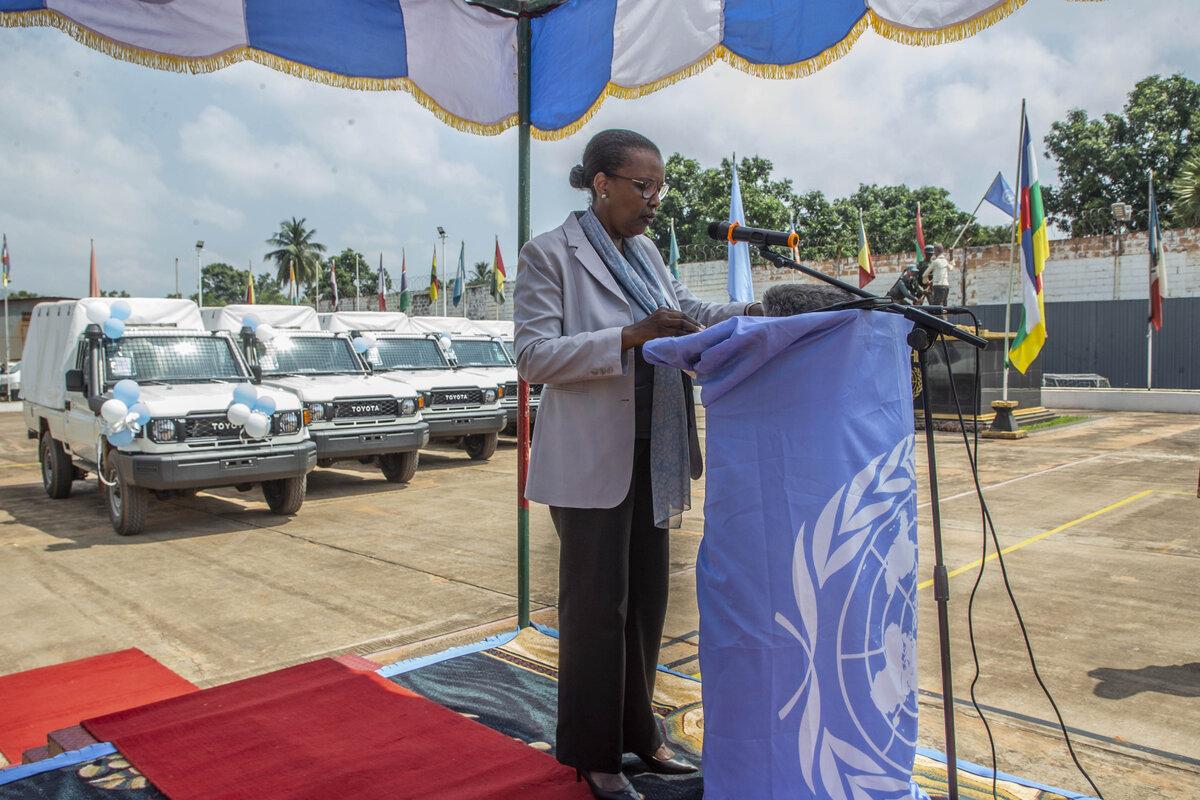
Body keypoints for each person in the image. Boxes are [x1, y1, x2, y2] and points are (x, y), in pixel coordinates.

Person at [514, 129, 761, 800]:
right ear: (602, 184)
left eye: (660, 188)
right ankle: (594, 754)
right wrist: (628, 336)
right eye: (643, 186)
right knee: (598, 610)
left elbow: (687, 312)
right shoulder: (549, 254)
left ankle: (640, 734)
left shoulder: (647, 252)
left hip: (655, 452)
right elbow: (533, 357)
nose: (654, 200)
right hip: (591, 461)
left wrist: (754, 312)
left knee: (647, 602)